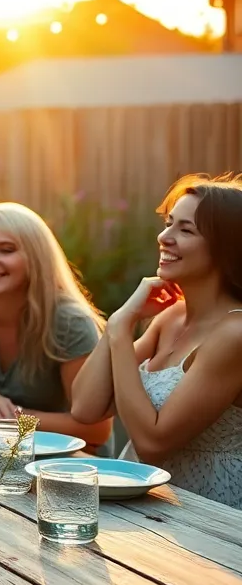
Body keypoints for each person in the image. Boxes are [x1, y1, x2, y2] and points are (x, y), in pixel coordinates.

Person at [71, 174, 242, 508]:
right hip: (144, 500)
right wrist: (120, 321)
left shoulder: (234, 334)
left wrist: (120, 331)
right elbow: (85, 407)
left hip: (207, 509)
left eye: (185, 229)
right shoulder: (170, 318)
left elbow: (152, 442)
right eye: (168, 224)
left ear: (226, 247)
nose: (164, 237)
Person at [0, 203, 112, 449]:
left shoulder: (70, 322)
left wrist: (9, 416)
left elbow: (95, 430)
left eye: (6, 250)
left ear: (36, 257)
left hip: (69, 465)